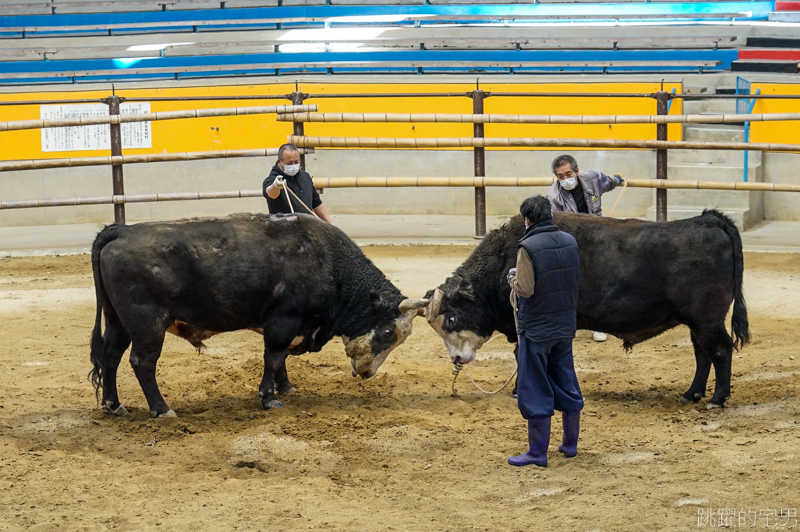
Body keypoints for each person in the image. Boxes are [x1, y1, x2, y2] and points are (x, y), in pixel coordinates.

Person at [506, 195, 583, 467]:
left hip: (537, 329)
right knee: (566, 380)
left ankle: (537, 453)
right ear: (550, 215)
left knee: (535, 386)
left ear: (526, 220)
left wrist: (513, 278)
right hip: (564, 326)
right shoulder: (570, 241)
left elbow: (525, 289)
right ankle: (569, 445)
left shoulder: (527, 246)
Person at [547, 154, 623, 342]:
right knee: (572, 282)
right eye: (560, 176)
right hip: (572, 243)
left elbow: (608, 182)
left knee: (600, 280)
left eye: (568, 174)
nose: (565, 179)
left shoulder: (591, 178)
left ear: (577, 171)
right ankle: (567, 323)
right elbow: (555, 227)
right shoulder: (553, 198)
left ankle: (597, 325)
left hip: (598, 238)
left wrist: (618, 179)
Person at [263, 143, 332, 223]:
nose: (293, 165)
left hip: (307, 228)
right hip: (284, 231)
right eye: (289, 163)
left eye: (296, 162)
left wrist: (331, 224)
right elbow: (270, 194)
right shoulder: (273, 179)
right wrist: (276, 186)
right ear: (279, 162)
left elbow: (316, 203)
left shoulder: (305, 177)